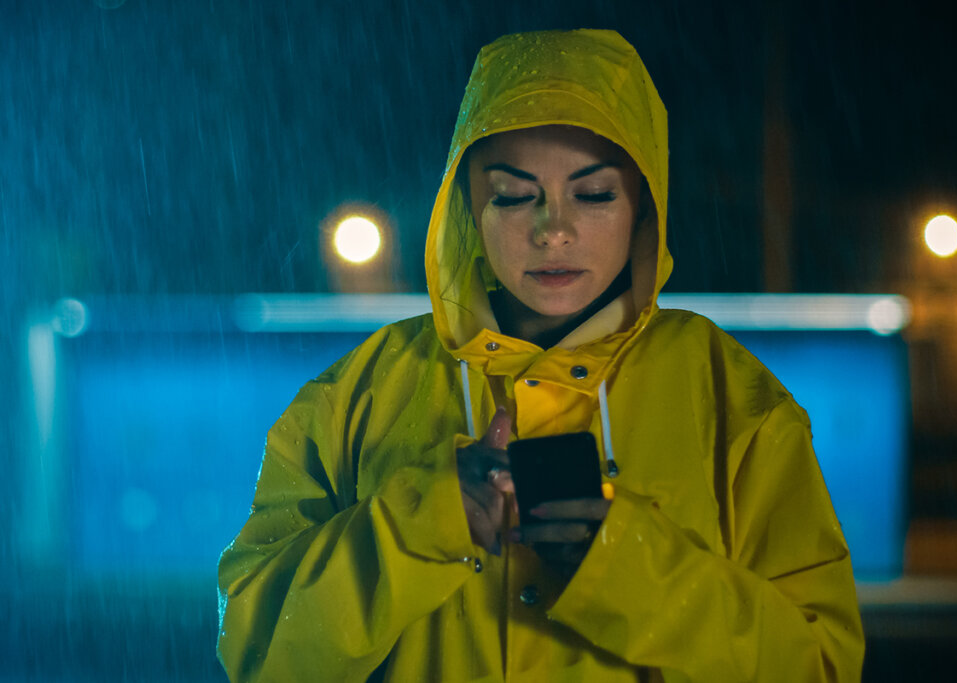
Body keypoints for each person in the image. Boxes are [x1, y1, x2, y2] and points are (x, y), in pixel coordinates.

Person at [217, 28, 865, 682]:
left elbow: (821, 666)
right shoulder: (355, 396)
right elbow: (257, 653)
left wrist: (631, 566)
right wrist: (425, 520)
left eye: (594, 193)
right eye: (513, 193)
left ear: (643, 203)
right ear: (468, 204)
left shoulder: (729, 396)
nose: (554, 229)